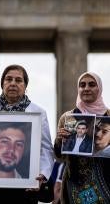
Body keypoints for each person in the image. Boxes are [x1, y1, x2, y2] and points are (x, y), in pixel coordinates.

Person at [0, 64, 54, 204]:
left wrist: (42, 175)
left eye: (18, 80)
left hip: (25, 188)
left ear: (25, 86)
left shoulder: (38, 112)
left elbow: (46, 148)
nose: (13, 83)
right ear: (2, 83)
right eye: (9, 79)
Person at [54, 71, 110, 203]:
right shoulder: (68, 118)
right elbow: (59, 157)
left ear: (99, 88)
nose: (86, 88)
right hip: (75, 185)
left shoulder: (109, 116)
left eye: (91, 84)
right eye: (82, 85)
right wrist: (59, 140)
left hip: (107, 183)